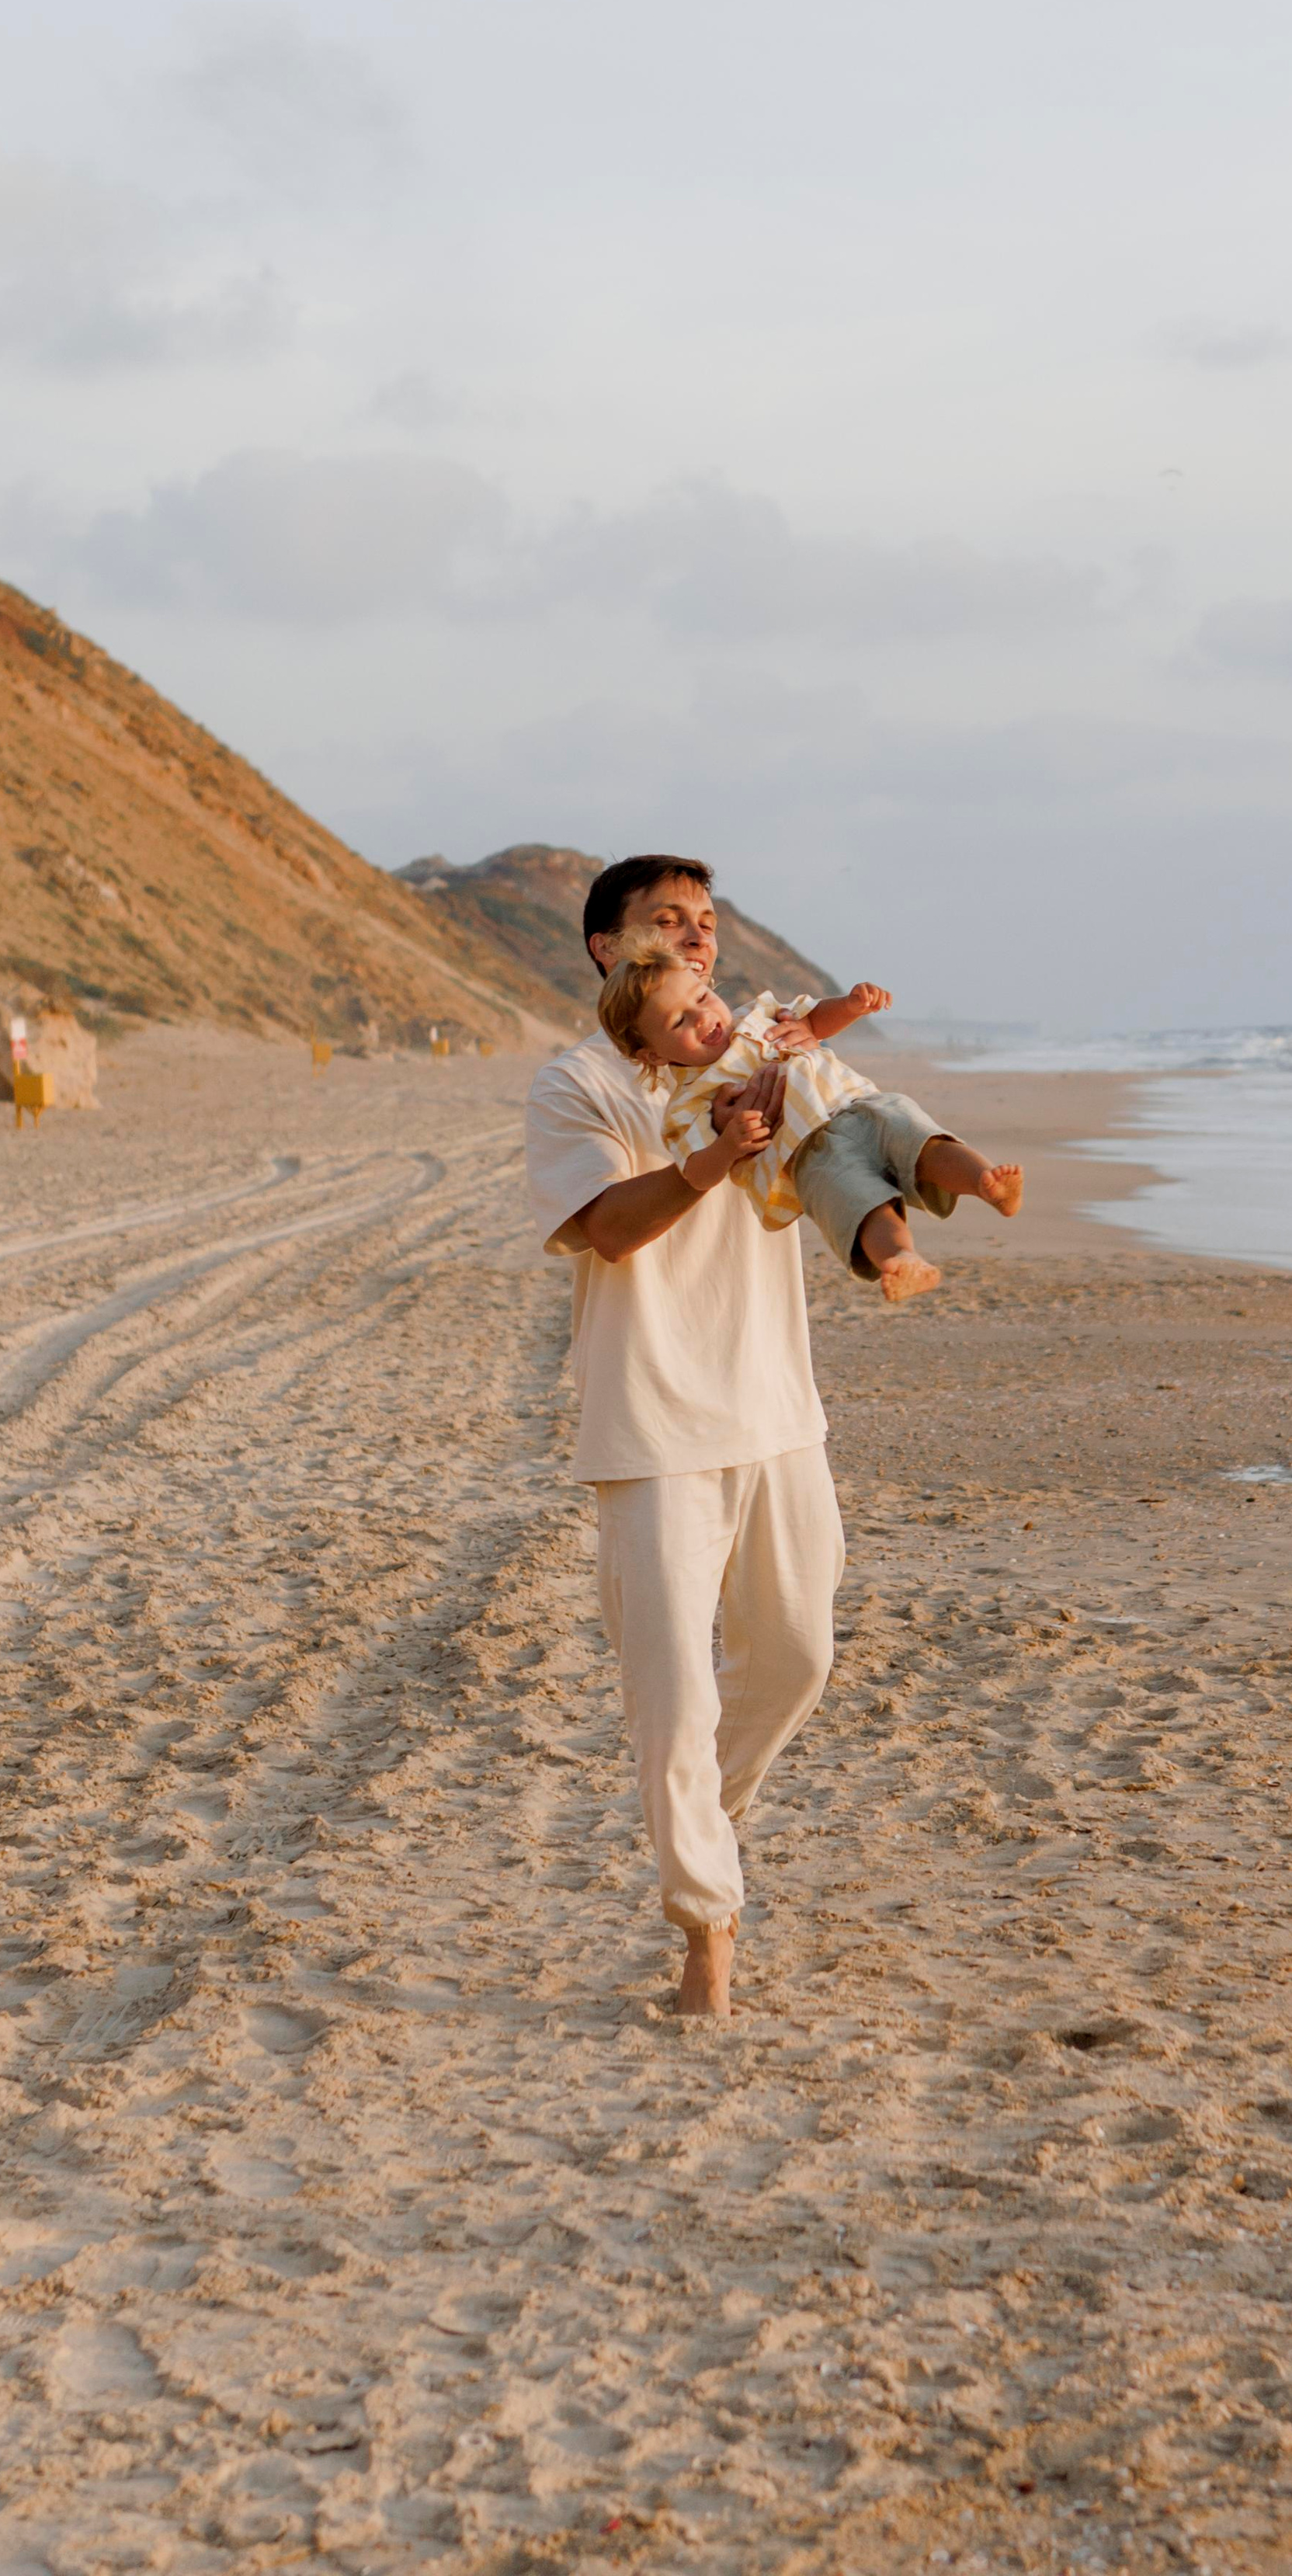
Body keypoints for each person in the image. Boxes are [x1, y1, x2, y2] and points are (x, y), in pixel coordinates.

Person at [523, 855, 840, 2018]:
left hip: (777, 1411)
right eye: (669, 922)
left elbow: (853, 1147)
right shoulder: (577, 1086)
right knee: (673, 1701)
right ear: (611, 949)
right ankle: (707, 1941)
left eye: (707, 924)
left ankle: (700, 1814)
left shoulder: (760, 1051)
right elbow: (610, 1228)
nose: (698, 941)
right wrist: (714, 1157)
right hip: (652, 1427)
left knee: (800, 1655)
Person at [596, 944, 1023, 1300]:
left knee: (920, 1141)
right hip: (808, 1156)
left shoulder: (760, 1014)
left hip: (858, 1104)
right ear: (652, 1055)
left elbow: (815, 1019)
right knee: (862, 1205)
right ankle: (903, 1259)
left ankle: (986, 1181)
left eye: (702, 998)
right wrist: (728, 1145)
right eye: (678, 1021)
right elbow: (696, 1171)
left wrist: (850, 1007)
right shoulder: (690, 1102)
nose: (703, 1018)